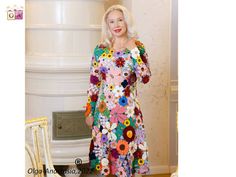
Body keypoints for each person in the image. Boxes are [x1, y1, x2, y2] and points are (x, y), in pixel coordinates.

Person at [84, 4, 151, 177]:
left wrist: (133, 50)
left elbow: (145, 77)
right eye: (111, 21)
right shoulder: (100, 50)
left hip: (128, 114)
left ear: (126, 21)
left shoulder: (137, 46)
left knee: (125, 159)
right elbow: (94, 84)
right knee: (106, 163)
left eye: (120, 20)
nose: (116, 24)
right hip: (104, 114)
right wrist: (89, 111)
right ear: (107, 26)